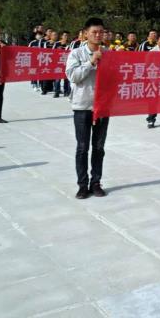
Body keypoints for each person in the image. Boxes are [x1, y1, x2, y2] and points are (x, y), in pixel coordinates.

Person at [66, 17, 110, 199]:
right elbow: (73, 76)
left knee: (99, 147)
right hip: (82, 106)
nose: (98, 35)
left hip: (102, 107)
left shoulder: (109, 53)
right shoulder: (76, 53)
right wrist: (91, 62)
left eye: (101, 32)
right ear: (85, 34)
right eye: (94, 32)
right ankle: (82, 185)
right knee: (82, 147)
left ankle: (96, 182)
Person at [53, 31, 72, 97]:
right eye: (65, 35)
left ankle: (66, 92)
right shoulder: (57, 44)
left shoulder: (70, 44)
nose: (66, 37)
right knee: (57, 79)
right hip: (58, 64)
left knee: (66, 79)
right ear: (61, 36)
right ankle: (57, 92)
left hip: (67, 63)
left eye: (67, 36)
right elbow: (52, 52)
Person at [28, 26, 44, 91]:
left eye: (40, 35)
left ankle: (40, 84)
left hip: (41, 60)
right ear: (35, 36)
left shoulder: (43, 43)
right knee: (34, 72)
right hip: (33, 60)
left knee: (40, 72)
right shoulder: (32, 42)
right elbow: (28, 50)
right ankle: (34, 84)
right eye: (38, 35)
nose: (39, 36)